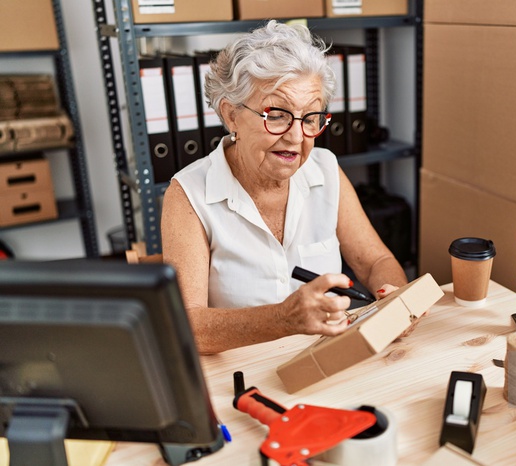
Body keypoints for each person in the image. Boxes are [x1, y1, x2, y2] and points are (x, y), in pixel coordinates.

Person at [160, 20, 408, 354]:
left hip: (326, 358)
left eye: (310, 118)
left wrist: (396, 297)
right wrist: (282, 320)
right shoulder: (188, 194)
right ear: (231, 115)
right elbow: (187, 326)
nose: (296, 137)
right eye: (276, 115)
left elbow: (375, 261)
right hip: (240, 375)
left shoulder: (326, 169)